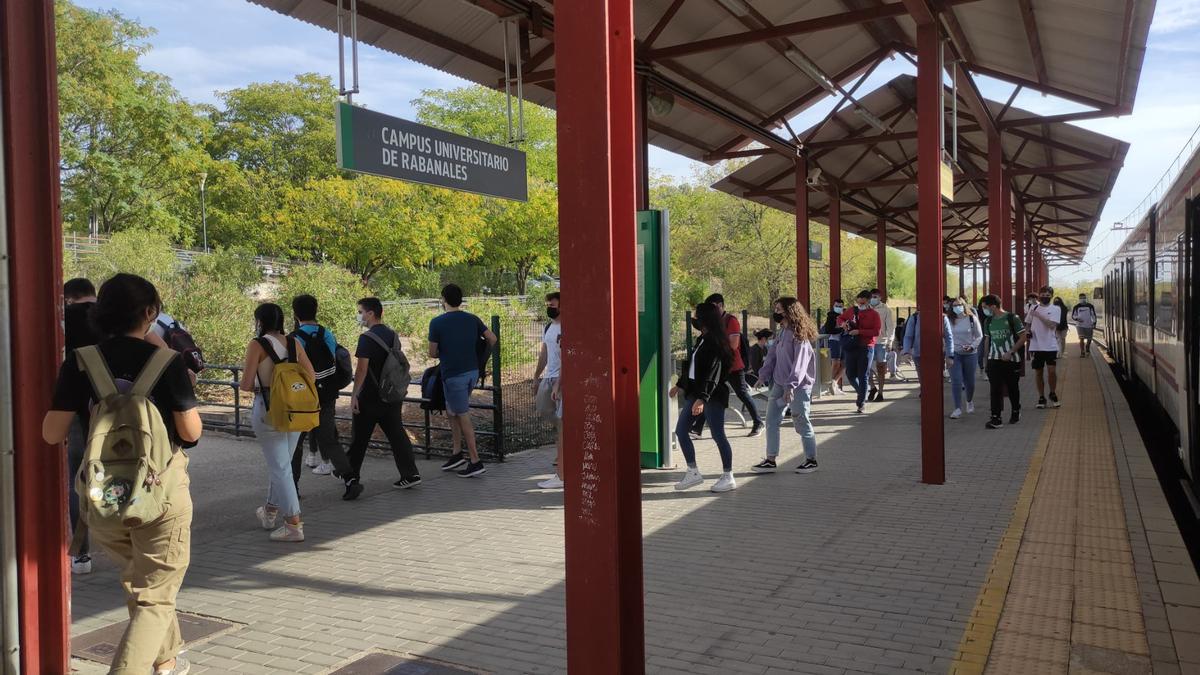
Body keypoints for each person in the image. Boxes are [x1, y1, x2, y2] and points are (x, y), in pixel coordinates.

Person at [43, 273, 200, 675]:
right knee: (155, 597)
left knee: (141, 584)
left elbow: (52, 433)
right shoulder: (165, 362)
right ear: (149, 313)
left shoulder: (81, 361)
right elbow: (191, 432)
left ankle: (166, 661)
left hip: (104, 498)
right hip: (161, 491)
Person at [240, 303, 315, 543]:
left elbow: (246, 384)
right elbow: (310, 375)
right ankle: (270, 512)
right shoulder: (293, 342)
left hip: (268, 408)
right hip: (295, 410)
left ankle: (293, 524)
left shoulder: (257, 344)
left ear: (259, 321)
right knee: (282, 464)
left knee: (280, 467)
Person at [289, 294, 362, 501]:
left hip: (302, 398)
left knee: (295, 443)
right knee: (329, 440)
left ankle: (292, 489)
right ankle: (350, 479)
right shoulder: (327, 334)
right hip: (327, 394)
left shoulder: (294, 338)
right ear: (316, 310)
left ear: (295, 313)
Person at [349, 297, 423, 488]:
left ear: (371, 313)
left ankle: (350, 476)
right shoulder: (392, 335)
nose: (359, 316)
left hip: (370, 397)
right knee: (397, 434)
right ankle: (411, 474)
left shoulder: (366, 338)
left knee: (359, 438)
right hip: (392, 393)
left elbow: (361, 370)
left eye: (360, 312)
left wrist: (354, 394)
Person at [428, 285, 499, 477]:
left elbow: (432, 352)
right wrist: (480, 357)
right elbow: (492, 338)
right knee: (452, 411)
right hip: (472, 372)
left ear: (443, 299)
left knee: (462, 413)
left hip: (453, 374)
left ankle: (475, 460)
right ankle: (457, 452)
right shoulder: (472, 319)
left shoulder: (437, 322)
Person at [671, 303, 737, 493]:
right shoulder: (703, 339)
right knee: (681, 431)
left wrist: (702, 398)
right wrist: (680, 385)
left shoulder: (715, 343)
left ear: (706, 320)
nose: (695, 320)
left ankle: (728, 475)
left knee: (718, 435)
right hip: (696, 393)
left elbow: (712, 374)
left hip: (712, 396)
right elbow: (693, 368)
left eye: (697, 316)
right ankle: (693, 472)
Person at [750, 297, 819, 474]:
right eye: (776, 309)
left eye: (780, 309)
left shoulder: (799, 334)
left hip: (798, 387)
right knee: (771, 420)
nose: (777, 312)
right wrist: (763, 375)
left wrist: (791, 386)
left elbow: (800, 364)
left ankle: (811, 459)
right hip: (779, 384)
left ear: (790, 311)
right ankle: (770, 459)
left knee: (801, 421)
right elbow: (772, 356)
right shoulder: (782, 332)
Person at [63, 278, 99, 574]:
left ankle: (82, 555)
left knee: (77, 478)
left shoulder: (64, 318)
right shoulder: (112, 317)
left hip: (74, 407)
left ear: (69, 297)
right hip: (116, 406)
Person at [690, 294, 763, 437]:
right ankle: (698, 427)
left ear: (720, 305)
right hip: (718, 367)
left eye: (713, 307)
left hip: (733, 366)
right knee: (709, 393)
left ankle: (758, 422)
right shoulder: (711, 322)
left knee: (742, 393)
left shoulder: (731, 321)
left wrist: (715, 344)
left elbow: (734, 345)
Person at [980, 294, 1029, 429]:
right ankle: (996, 418)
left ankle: (1015, 410)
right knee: (995, 389)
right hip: (994, 359)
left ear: (993, 306)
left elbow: (1023, 337)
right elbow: (987, 340)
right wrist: (986, 359)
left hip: (1011, 360)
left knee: (1012, 387)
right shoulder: (988, 321)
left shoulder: (1012, 318)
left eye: (985, 307)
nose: (983, 310)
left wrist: (1011, 352)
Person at [534, 292, 564, 489]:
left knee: (563, 422)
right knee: (544, 409)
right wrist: (537, 376)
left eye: (552, 304)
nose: (549, 307)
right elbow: (544, 353)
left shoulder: (568, 327)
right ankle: (562, 444)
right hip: (549, 377)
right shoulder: (549, 327)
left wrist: (559, 383)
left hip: (561, 380)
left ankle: (561, 469)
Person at [836, 290, 881, 413]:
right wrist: (843, 324)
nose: (860, 303)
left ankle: (861, 402)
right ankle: (862, 392)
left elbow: (876, 332)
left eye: (863, 301)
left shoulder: (874, 314)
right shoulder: (851, 310)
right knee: (850, 375)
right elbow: (840, 318)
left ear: (868, 301)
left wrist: (859, 332)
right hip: (851, 346)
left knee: (863, 375)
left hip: (866, 347)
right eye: (858, 301)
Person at [1024, 285, 1063, 409]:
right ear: (1039, 295)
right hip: (1036, 345)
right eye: (1043, 295)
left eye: (1047, 295)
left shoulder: (1056, 309)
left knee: (1052, 371)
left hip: (1051, 345)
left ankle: (1052, 392)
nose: (1045, 297)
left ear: (1051, 296)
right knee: (1038, 372)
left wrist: (1039, 316)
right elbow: (1028, 323)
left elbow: (1052, 325)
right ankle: (1041, 397)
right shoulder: (1033, 308)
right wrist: (1027, 332)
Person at [946, 297, 983, 419]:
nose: (957, 307)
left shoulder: (972, 319)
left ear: (964, 305)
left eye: (959, 305)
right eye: (955, 305)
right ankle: (957, 408)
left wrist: (972, 346)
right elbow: (944, 336)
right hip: (954, 353)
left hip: (970, 354)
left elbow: (979, 336)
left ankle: (969, 400)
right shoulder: (948, 320)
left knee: (970, 382)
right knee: (956, 381)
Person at [900, 310, 953, 389]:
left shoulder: (943, 318)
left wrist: (950, 355)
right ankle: (925, 392)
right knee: (922, 379)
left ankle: (930, 394)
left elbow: (949, 337)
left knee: (936, 379)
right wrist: (906, 352)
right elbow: (908, 336)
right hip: (918, 354)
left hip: (937, 354)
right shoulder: (914, 318)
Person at [866, 289, 895, 402]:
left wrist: (890, 341)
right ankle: (872, 387)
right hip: (867, 341)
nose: (873, 299)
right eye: (872, 296)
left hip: (881, 342)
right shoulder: (865, 308)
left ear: (880, 297)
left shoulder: (886, 310)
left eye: (875, 296)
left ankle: (881, 392)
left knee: (881, 368)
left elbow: (890, 327)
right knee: (865, 366)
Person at [821, 300, 845, 395]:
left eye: (840, 306)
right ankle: (828, 385)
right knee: (836, 363)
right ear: (833, 306)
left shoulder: (846, 315)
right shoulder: (831, 316)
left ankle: (834, 382)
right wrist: (842, 328)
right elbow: (829, 330)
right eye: (836, 306)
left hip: (844, 341)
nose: (838, 307)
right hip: (834, 341)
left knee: (845, 364)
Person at [1072, 292, 1098, 356]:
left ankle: (1087, 347)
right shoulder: (1076, 307)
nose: (1082, 299)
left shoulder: (1090, 306)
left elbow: (1093, 315)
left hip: (1089, 325)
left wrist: (1094, 323)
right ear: (1079, 299)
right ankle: (1082, 352)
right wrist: (1077, 319)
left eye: (1084, 298)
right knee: (1081, 338)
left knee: (1089, 339)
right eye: (1081, 298)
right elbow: (1073, 316)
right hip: (1080, 325)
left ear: (1086, 298)